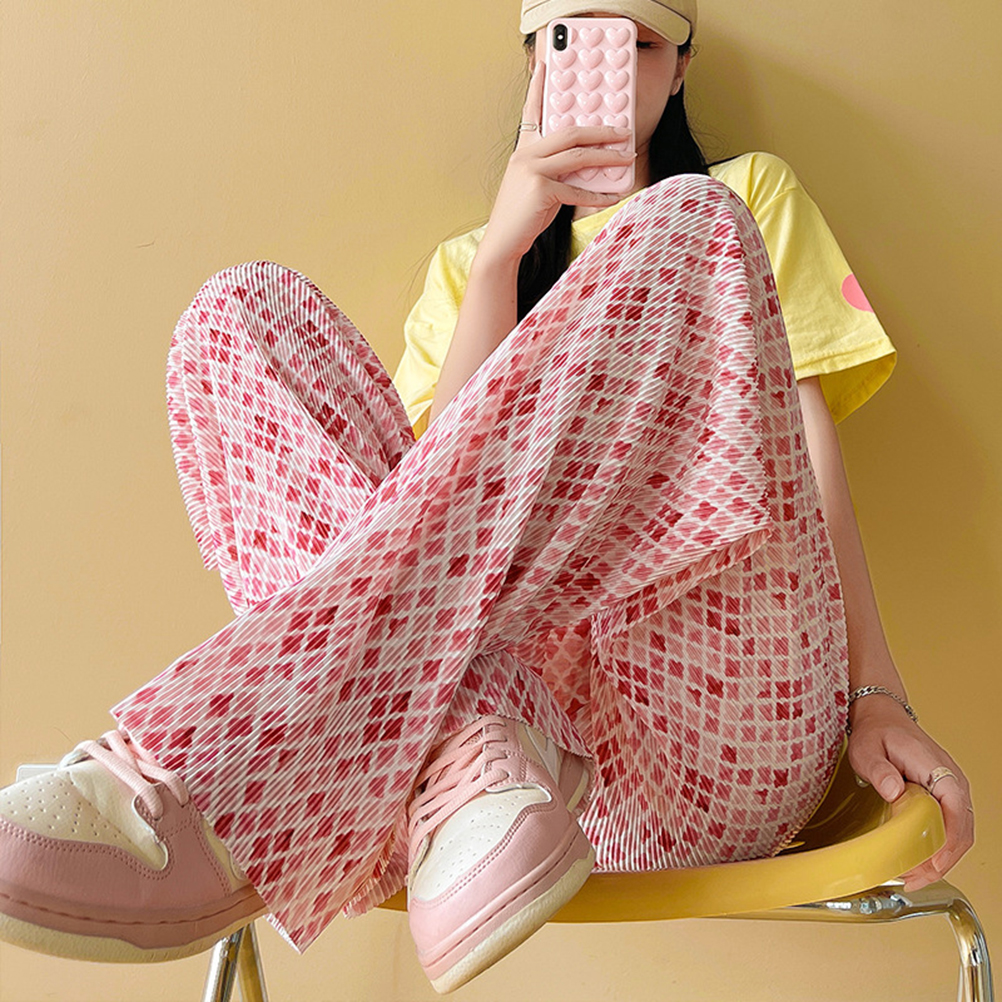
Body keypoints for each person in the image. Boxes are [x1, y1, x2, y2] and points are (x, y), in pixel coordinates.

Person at [0, 0, 975, 995]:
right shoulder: (469, 267)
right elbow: (434, 519)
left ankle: (213, 772)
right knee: (237, 315)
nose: (608, 65)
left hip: (716, 724)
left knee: (686, 222)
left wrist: (877, 695)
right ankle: (472, 745)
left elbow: (807, 471)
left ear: (681, 67)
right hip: (511, 789)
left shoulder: (742, 201)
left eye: (639, 42)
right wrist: (507, 253)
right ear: (532, 59)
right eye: (568, 37)